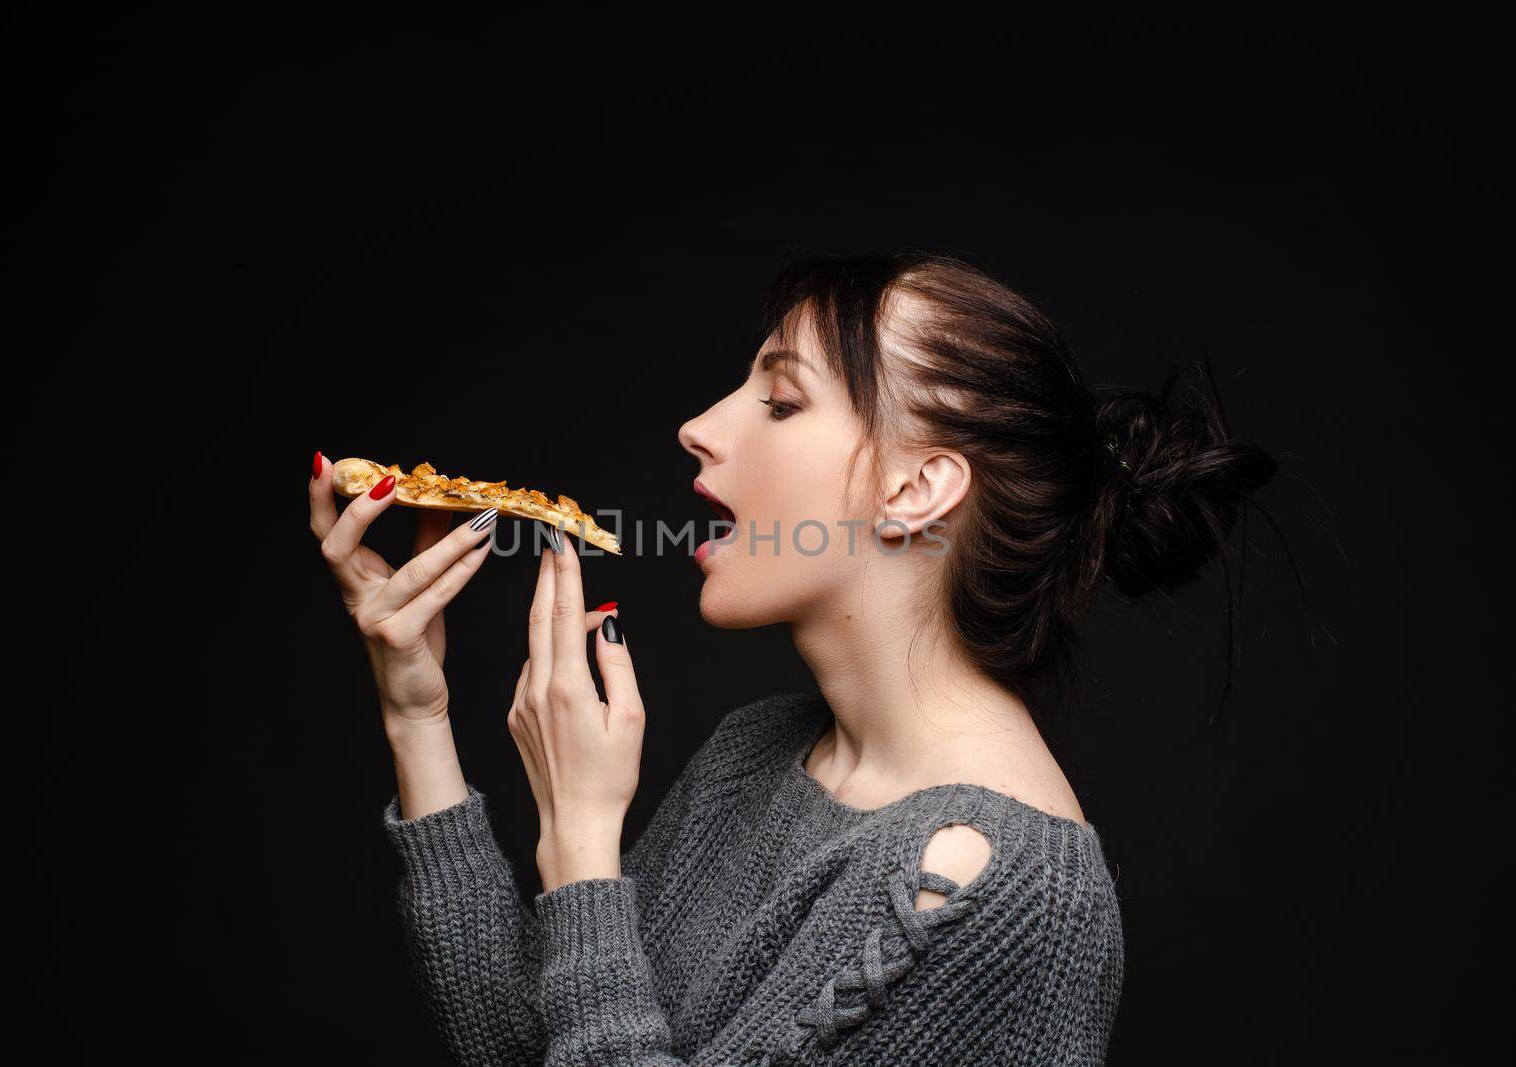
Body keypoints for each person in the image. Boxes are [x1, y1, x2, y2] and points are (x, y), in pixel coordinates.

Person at [307, 252, 1279, 1064]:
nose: (699, 427)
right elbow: (536, 1046)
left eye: (778, 401)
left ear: (916, 486)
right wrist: (416, 712)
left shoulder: (992, 881)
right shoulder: (758, 748)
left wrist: (581, 846)